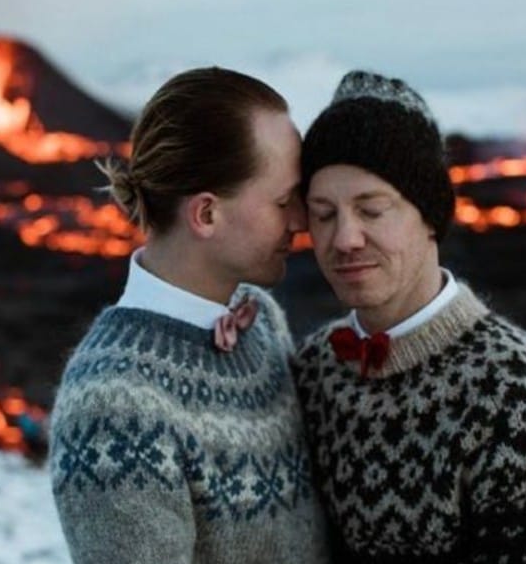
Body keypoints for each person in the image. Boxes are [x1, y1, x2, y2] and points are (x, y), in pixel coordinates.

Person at [291, 70, 526, 563]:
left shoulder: (523, 398)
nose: (344, 238)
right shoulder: (310, 370)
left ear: (431, 216)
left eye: (371, 210)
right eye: (324, 214)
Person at [49, 67, 330, 564]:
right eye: (284, 202)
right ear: (205, 215)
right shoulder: (114, 407)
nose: (301, 222)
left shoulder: (258, 319)